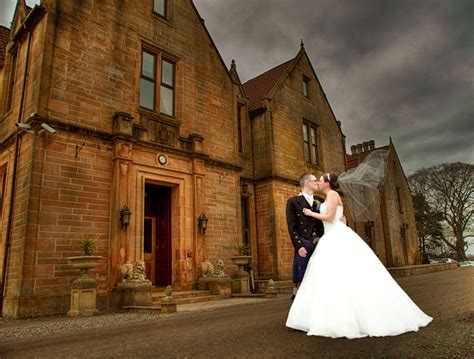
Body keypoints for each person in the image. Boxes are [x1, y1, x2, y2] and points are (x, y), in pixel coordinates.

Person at [286, 173, 432, 338]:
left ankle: (347, 317)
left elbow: (328, 217)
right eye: (315, 180)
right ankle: (327, 315)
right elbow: (311, 222)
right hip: (323, 239)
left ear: (327, 183)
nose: (318, 182)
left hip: (333, 238)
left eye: (320, 180)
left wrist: (317, 215)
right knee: (323, 278)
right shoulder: (313, 199)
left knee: (342, 276)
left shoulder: (331, 195)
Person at [286, 173, 324, 300]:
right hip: (304, 241)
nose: (318, 182)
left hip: (321, 242)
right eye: (315, 180)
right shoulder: (293, 202)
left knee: (321, 273)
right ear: (307, 183)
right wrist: (299, 246)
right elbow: (292, 227)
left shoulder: (320, 200)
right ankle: (300, 300)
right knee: (302, 274)